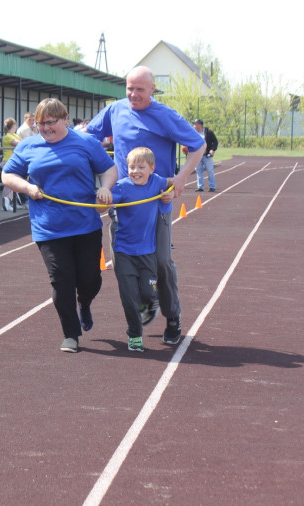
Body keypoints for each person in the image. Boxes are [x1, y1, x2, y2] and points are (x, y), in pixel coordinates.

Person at [86, 65, 206, 346]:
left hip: (157, 204)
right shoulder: (115, 110)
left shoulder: (165, 115)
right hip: (123, 203)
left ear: (153, 89)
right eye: (129, 87)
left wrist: (180, 178)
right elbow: (89, 136)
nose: (133, 94)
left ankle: (172, 317)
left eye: (140, 89)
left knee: (161, 262)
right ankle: (145, 300)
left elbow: (198, 146)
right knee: (124, 264)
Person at [1, 98, 118, 353]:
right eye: (41, 124)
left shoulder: (86, 143)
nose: (45, 128)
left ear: (65, 119)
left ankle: (84, 303)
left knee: (89, 280)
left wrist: (105, 188)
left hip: (85, 224)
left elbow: (109, 169)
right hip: (49, 227)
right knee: (61, 279)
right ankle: (71, 334)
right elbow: (7, 174)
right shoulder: (29, 146)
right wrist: (28, 187)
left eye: (51, 123)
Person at [108, 147, 173, 352]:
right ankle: (135, 335)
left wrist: (169, 194)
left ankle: (150, 303)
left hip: (147, 252)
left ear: (152, 168)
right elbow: (102, 205)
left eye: (141, 167)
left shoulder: (157, 182)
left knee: (147, 293)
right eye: (131, 167)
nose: (135, 171)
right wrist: (102, 194)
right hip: (124, 251)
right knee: (129, 297)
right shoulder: (121, 187)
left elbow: (174, 183)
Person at [191, 119, 219, 192]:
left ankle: (212, 186)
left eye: (195, 124)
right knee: (198, 171)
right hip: (197, 155)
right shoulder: (193, 133)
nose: (193, 126)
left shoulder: (208, 132)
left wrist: (213, 149)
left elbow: (215, 141)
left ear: (200, 125)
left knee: (210, 171)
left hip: (206, 156)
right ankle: (200, 187)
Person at [1, 117, 22, 211]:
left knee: (14, 183)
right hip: (7, 161)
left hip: (13, 161)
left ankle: (10, 201)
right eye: (15, 124)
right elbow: (18, 143)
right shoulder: (8, 136)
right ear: (13, 125)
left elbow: (22, 141)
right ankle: (5, 201)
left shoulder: (14, 135)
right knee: (9, 183)